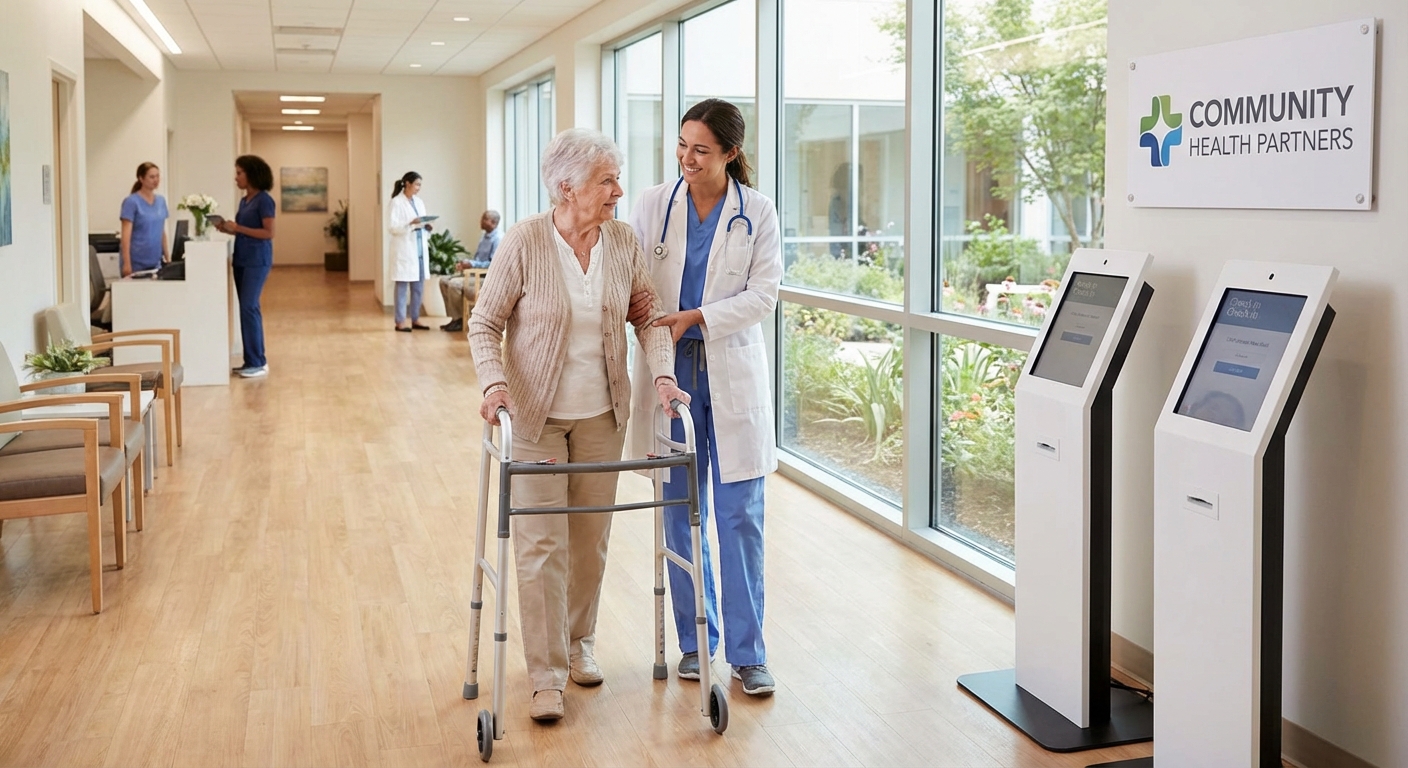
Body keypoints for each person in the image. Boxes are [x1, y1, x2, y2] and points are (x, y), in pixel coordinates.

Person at [469, 128, 688, 723]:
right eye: (606, 181)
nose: (618, 190)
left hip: (602, 414)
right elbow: (484, 324)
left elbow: (647, 317)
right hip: (534, 417)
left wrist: (663, 375)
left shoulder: (620, 242)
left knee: (589, 537)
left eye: (616, 179)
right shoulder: (524, 242)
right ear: (565, 188)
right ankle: (544, 675)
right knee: (542, 544)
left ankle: (577, 644)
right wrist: (494, 384)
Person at [627, 99, 782, 696]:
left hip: (731, 371)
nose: (687, 159)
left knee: (740, 515)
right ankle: (697, 641)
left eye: (702, 150)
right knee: (679, 512)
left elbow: (764, 294)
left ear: (731, 155)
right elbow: (637, 280)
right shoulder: (651, 203)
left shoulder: (756, 212)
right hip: (671, 373)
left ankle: (748, 653)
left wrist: (696, 316)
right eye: (683, 145)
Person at [216, 155, 276, 379]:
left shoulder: (264, 200)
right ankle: (251, 359)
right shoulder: (245, 201)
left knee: (249, 307)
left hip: (257, 260)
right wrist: (228, 228)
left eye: (239, 172)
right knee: (246, 309)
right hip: (241, 259)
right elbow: (244, 229)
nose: (236, 177)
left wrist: (238, 227)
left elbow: (268, 233)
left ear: (251, 174)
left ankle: (259, 361)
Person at [438, 210, 503, 332]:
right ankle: (455, 317)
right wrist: (466, 264)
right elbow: (477, 259)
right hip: (474, 272)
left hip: (484, 277)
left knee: (454, 284)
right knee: (443, 281)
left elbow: (493, 264)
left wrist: (472, 264)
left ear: (493, 223)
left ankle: (459, 320)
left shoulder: (498, 239)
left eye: (484, 219)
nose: (481, 221)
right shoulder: (484, 237)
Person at [388, 172, 433, 332]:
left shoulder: (419, 202)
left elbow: (422, 221)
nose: (418, 188)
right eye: (417, 185)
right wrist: (411, 223)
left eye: (420, 185)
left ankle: (416, 319)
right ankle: (400, 322)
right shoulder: (396, 202)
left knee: (418, 287)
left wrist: (426, 227)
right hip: (404, 249)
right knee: (401, 287)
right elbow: (393, 228)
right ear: (407, 184)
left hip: (419, 249)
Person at [119, 162, 169, 277]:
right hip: (136, 262)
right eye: (152, 177)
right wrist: (127, 264)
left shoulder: (161, 201)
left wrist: (168, 257)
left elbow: (161, 231)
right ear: (141, 178)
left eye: (157, 176)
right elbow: (126, 236)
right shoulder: (131, 202)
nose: (156, 180)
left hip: (155, 262)